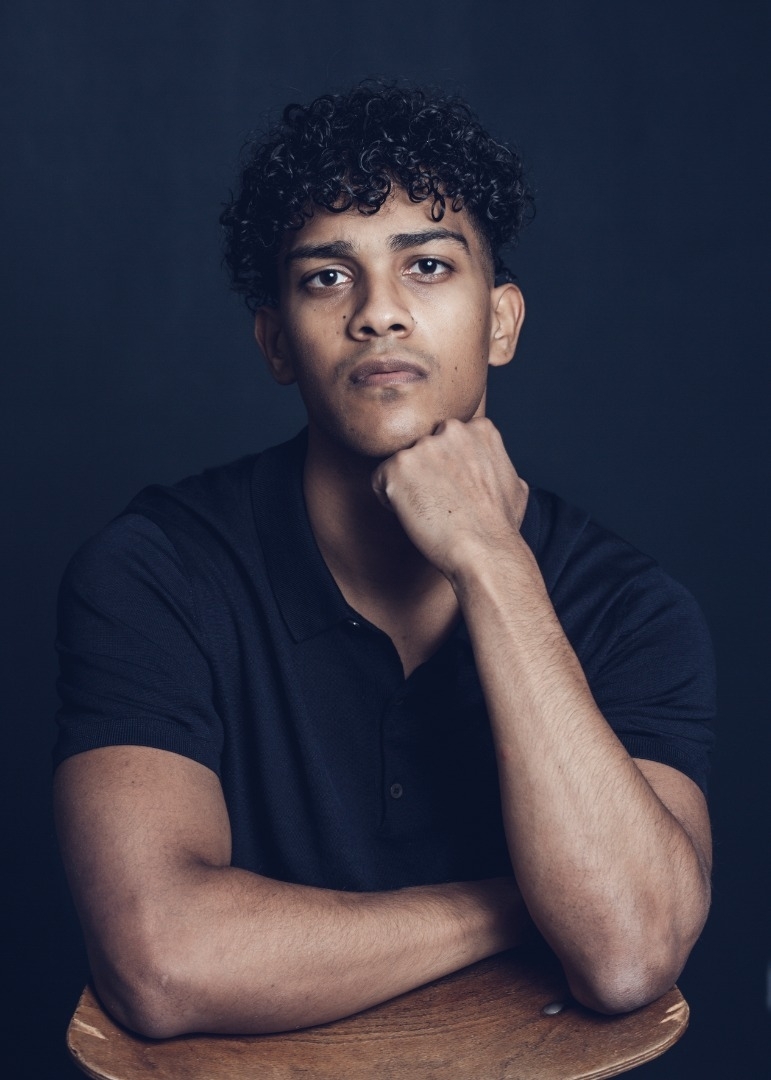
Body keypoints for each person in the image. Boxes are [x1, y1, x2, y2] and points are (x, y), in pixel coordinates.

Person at [53, 81, 715, 1039]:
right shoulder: (155, 572)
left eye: (428, 266)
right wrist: (520, 904)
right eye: (328, 277)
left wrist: (491, 563)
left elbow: (626, 951)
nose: (378, 313)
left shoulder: (632, 608)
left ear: (501, 321)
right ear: (276, 342)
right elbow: (162, 964)